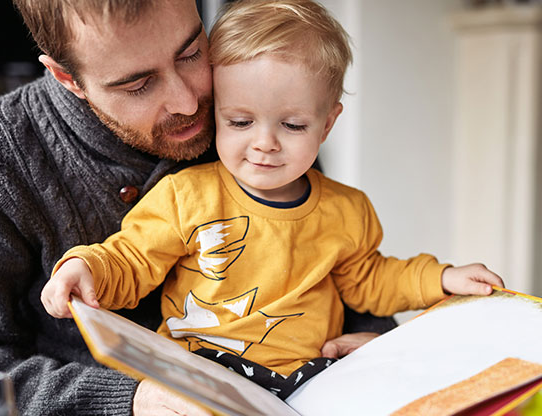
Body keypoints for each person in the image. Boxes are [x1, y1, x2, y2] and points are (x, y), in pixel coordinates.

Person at [41, 0, 505, 401]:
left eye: (293, 126)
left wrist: (441, 278)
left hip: (309, 378)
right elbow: (132, 260)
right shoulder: (188, 195)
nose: (265, 144)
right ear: (216, 109)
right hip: (203, 374)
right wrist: (88, 269)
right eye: (240, 122)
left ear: (326, 125)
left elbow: (370, 279)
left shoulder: (347, 210)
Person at [0, 0, 392, 414]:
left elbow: (338, 260)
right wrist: (127, 401)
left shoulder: (254, 101)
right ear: (67, 78)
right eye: (138, 85)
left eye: (190, 53)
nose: (189, 102)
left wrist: (377, 342)